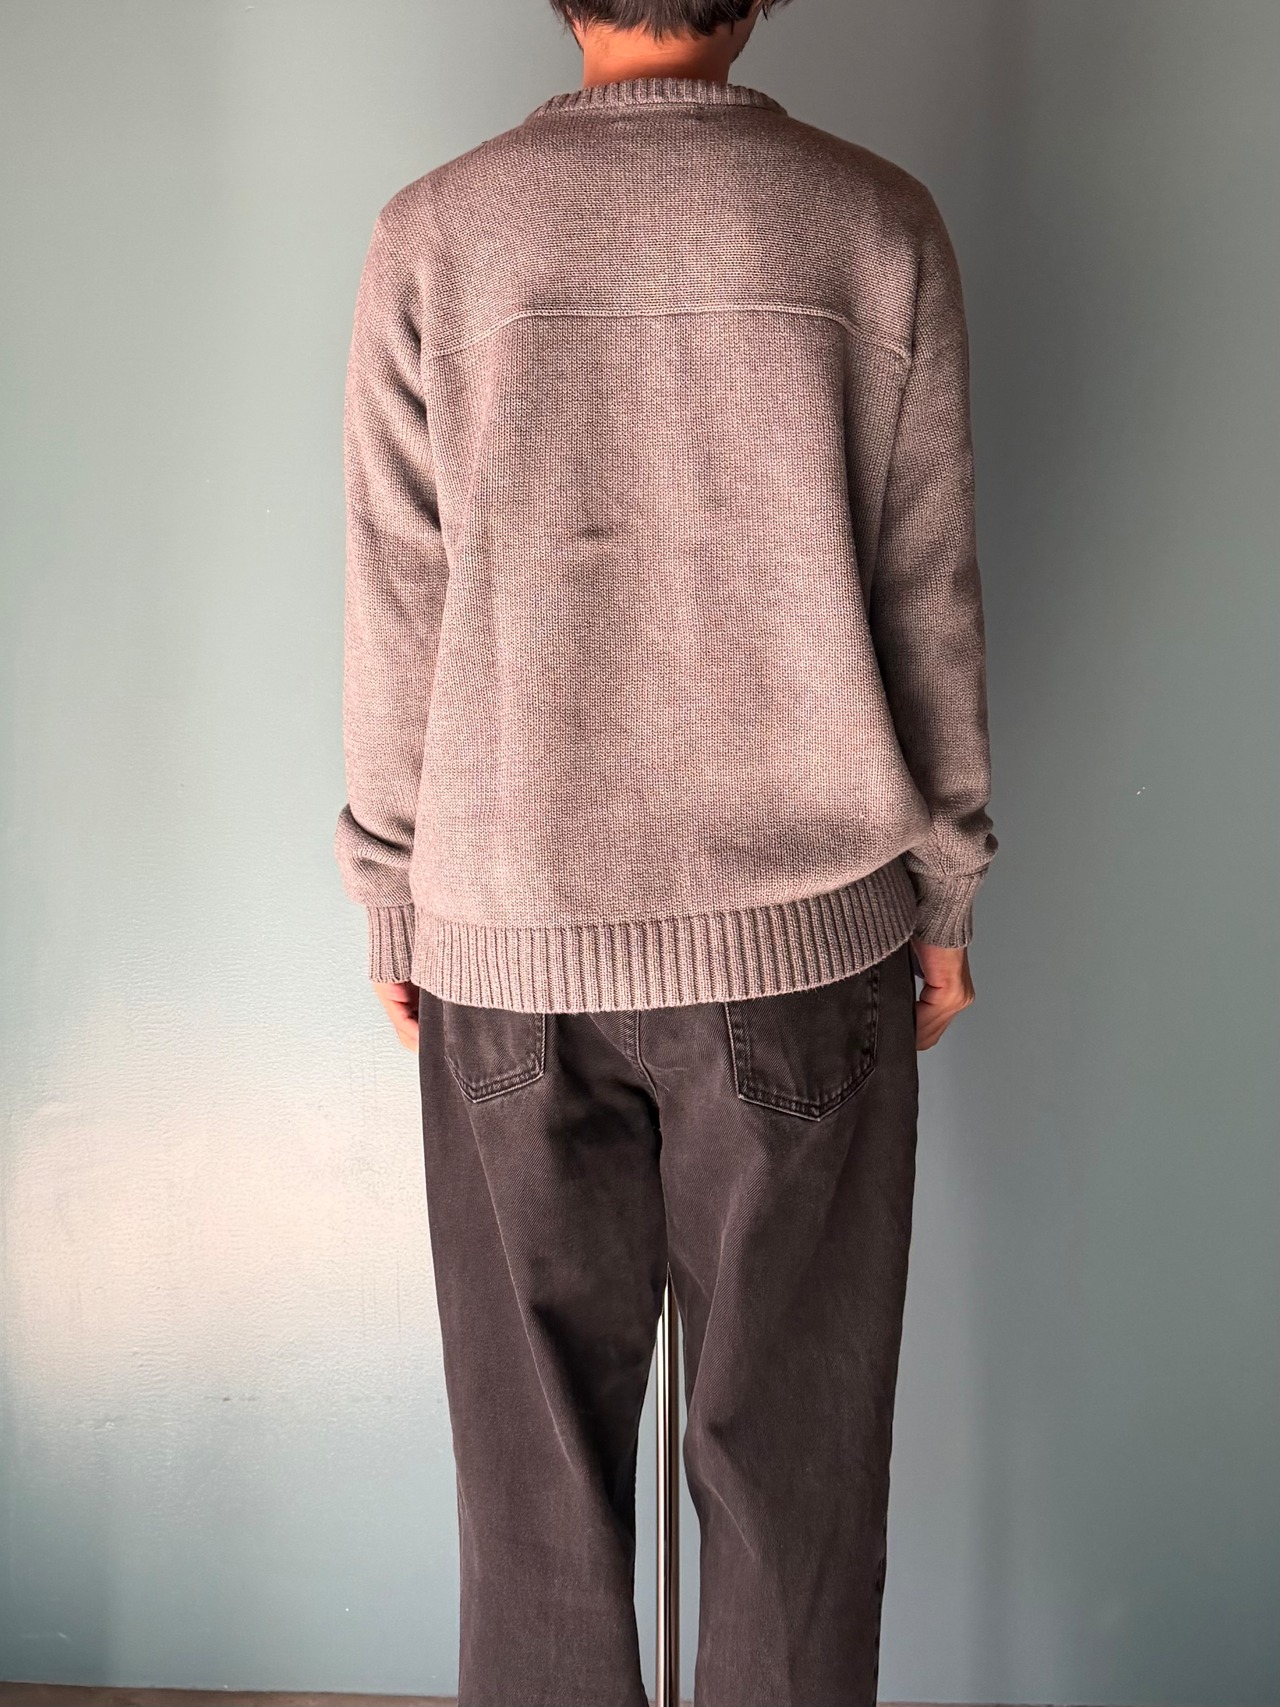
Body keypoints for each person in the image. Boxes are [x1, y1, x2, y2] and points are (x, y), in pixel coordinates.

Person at [334, 0, 997, 1700]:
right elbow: (926, 592)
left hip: (509, 953)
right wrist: (944, 888)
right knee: (794, 1490)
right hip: (805, 952)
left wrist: (395, 894)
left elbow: (400, 598)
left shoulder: (436, 235)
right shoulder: (873, 224)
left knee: (535, 1505)